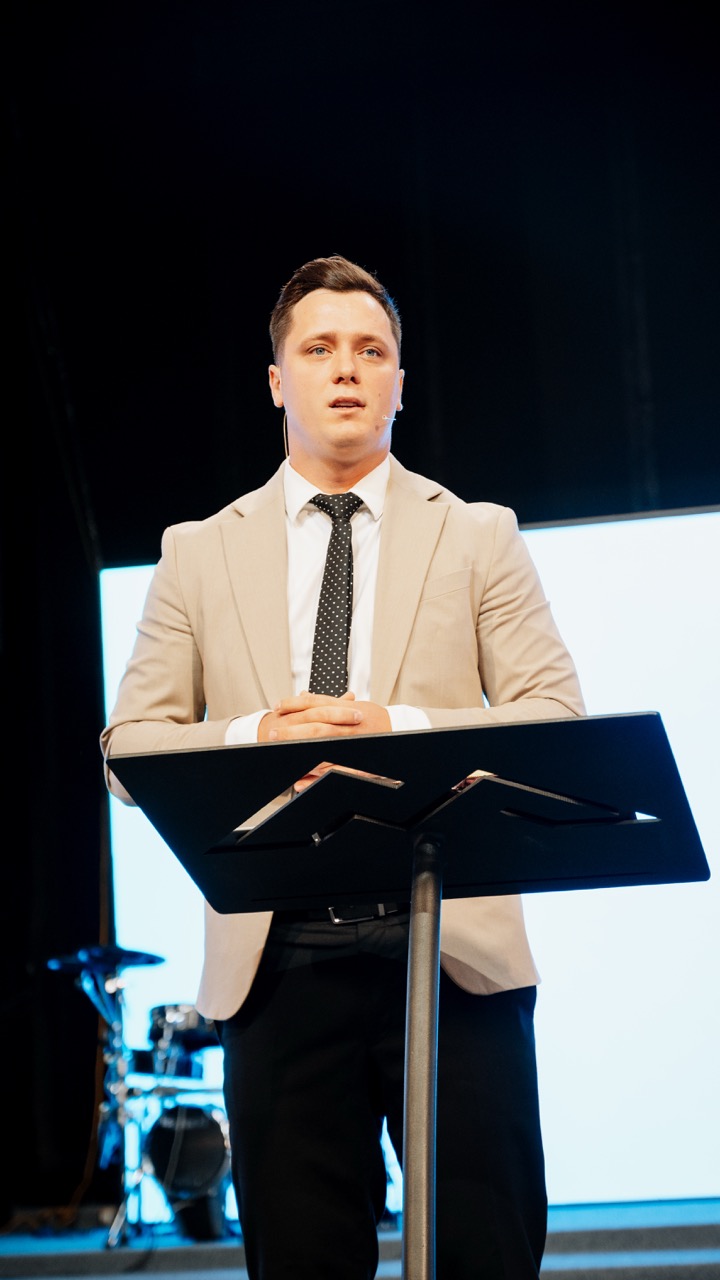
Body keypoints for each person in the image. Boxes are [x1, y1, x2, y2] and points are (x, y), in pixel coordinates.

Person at [100, 254, 586, 1278]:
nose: (347, 368)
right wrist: (251, 737)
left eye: (371, 350)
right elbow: (129, 750)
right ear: (278, 380)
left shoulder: (479, 535)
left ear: (401, 382)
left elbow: (555, 720)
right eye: (319, 348)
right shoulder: (197, 551)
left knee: (487, 1253)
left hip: (451, 949)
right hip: (279, 963)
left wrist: (393, 727)